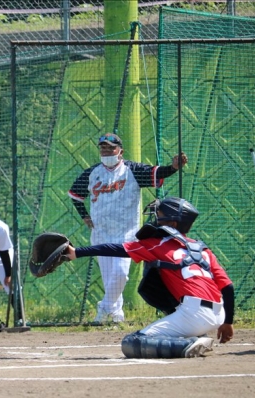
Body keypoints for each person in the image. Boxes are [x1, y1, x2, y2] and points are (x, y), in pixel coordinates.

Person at [64, 197, 234, 358]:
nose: (156, 219)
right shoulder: (203, 249)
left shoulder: (158, 244)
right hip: (219, 314)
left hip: (194, 314)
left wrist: (76, 252)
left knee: (134, 342)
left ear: (173, 223)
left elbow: (115, 249)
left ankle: (190, 343)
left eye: (160, 216)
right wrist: (228, 322)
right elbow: (228, 287)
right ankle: (197, 335)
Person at [68, 133, 188, 323]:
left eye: (111, 148)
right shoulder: (92, 173)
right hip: (100, 233)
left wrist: (173, 167)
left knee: (120, 274)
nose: (107, 151)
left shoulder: (132, 170)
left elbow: (157, 173)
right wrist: (84, 215)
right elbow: (75, 195)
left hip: (125, 234)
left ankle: (104, 308)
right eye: (103, 148)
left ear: (120, 151)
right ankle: (116, 315)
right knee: (110, 279)